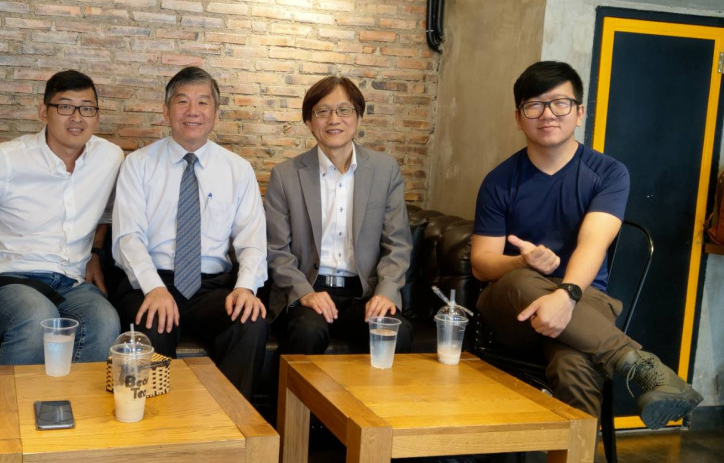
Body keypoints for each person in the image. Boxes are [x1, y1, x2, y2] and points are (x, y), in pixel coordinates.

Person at [471, 61, 702, 428]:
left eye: (560, 103)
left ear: (579, 112)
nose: (548, 114)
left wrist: (566, 295)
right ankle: (641, 366)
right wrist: (521, 262)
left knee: (574, 365)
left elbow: (593, 243)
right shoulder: (500, 181)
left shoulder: (608, 173)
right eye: (534, 105)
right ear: (518, 118)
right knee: (519, 281)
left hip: (583, 300)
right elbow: (481, 263)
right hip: (514, 312)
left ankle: (579, 451)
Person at [0, 70, 122, 367]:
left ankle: (73, 400)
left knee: (104, 321)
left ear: (97, 116)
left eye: (87, 108)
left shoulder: (109, 157)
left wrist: (94, 252)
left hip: (71, 283)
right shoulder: (7, 160)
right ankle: (12, 401)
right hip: (9, 278)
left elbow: (107, 209)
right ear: (43, 111)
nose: (77, 118)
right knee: (37, 317)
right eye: (65, 106)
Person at [111, 66, 269, 399]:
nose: (192, 111)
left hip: (211, 288)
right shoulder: (138, 164)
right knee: (152, 324)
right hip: (152, 281)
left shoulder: (238, 170)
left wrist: (245, 288)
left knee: (249, 321)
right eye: (182, 101)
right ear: (166, 111)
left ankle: (231, 423)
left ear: (216, 113)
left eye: (203, 102)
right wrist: (154, 288)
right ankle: (159, 426)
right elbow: (128, 237)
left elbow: (252, 241)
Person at [266, 76, 414, 355]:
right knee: (308, 331)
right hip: (308, 290)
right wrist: (304, 292)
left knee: (396, 331)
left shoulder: (385, 171)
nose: (334, 119)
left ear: (359, 117)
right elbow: (276, 249)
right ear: (309, 121)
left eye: (344, 110)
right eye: (322, 111)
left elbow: (398, 244)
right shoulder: (285, 176)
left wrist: (386, 291)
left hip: (363, 295)